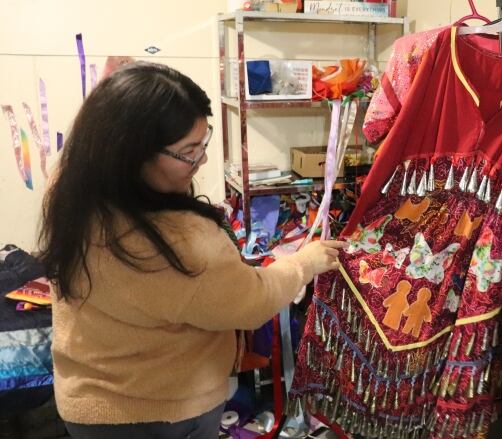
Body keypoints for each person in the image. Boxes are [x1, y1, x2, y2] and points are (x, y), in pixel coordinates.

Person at [38, 61, 346, 438]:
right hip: (159, 413)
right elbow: (251, 301)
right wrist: (304, 262)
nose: (200, 159)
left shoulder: (72, 189)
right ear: (131, 155)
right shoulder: (178, 244)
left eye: (204, 142)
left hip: (85, 399)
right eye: (188, 151)